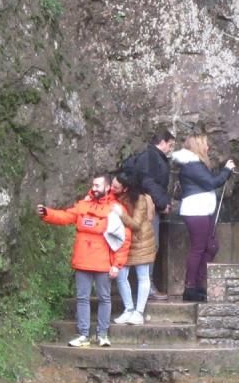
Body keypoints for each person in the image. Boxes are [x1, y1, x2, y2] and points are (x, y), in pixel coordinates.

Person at [38, 173, 131, 346]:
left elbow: (123, 239)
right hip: (82, 260)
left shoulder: (115, 209)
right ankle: (83, 335)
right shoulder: (83, 205)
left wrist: (117, 265)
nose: (94, 188)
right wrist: (47, 213)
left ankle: (102, 334)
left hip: (103, 262)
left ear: (107, 187)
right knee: (82, 298)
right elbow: (66, 216)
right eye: (93, 185)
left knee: (104, 298)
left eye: (98, 185)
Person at [171, 134, 235, 301]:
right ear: (199, 147)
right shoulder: (192, 165)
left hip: (202, 210)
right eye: (205, 144)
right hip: (196, 210)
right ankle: (190, 287)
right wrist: (227, 170)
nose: (208, 147)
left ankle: (198, 284)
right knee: (199, 248)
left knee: (210, 247)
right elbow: (211, 183)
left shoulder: (195, 164)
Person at [133, 130, 175, 301]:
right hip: (147, 208)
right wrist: (162, 202)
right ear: (162, 142)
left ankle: (146, 284)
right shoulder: (151, 157)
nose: (170, 150)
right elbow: (148, 182)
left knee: (150, 245)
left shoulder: (152, 156)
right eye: (170, 145)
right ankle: (146, 285)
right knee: (150, 245)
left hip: (150, 206)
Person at [111, 171, 156, 325]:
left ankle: (139, 312)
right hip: (124, 241)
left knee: (142, 276)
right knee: (121, 276)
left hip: (141, 241)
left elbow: (136, 224)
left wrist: (121, 214)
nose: (112, 188)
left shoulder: (140, 199)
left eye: (115, 186)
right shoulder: (116, 197)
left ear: (125, 188)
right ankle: (128, 309)